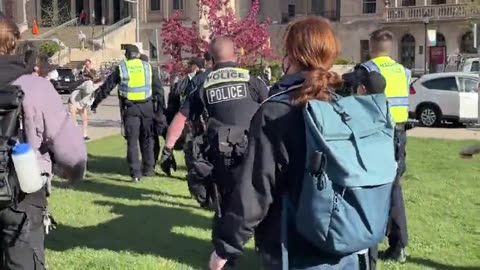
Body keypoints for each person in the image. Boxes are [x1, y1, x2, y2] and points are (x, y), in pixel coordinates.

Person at [208, 17, 393, 270]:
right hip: (348, 242)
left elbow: (255, 188)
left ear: (291, 54)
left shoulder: (276, 111)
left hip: (294, 247)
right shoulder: (343, 104)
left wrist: (226, 246)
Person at [0, 15, 87, 269]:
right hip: (22, 193)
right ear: (14, 43)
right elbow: (71, 153)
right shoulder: (35, 88)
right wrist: (74, 173)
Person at [187, 36, 269, 219]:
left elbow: (182, 118)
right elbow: (272, 111)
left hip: (220, 152)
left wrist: (168, 148)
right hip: (252, 150)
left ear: (212, 60)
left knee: (225, 203)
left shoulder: (204, 85)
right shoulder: (253, 81)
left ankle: (225, 241)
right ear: (236, 57)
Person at [358, 29, 410, 264]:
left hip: (377, 135)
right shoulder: (403, 71)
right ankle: (399, 244)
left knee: (372, 191)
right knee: (394, 189)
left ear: (371, 46)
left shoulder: (367, 70)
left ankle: (368, 246)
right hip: (399, 135)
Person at [91, 44, 164, 182]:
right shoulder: (148, 67)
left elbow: (107, 87)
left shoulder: (122, 68)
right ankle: (149, 169)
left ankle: (136, 173)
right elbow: (159, 90)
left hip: (131, 109)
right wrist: (160, 110)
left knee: (132, 141)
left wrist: (95, 103)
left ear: (127, 56)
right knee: (148, 138)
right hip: (147, 107)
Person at [139, 53, 167, 165]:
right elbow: (160, 92)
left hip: (150, 110)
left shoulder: (149, 73)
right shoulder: (150, 72)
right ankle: (150, 161)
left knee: (150, 137)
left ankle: (151, 161)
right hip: (150, 109)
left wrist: (160, 110)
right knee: (149, 137)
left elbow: (159, 92)